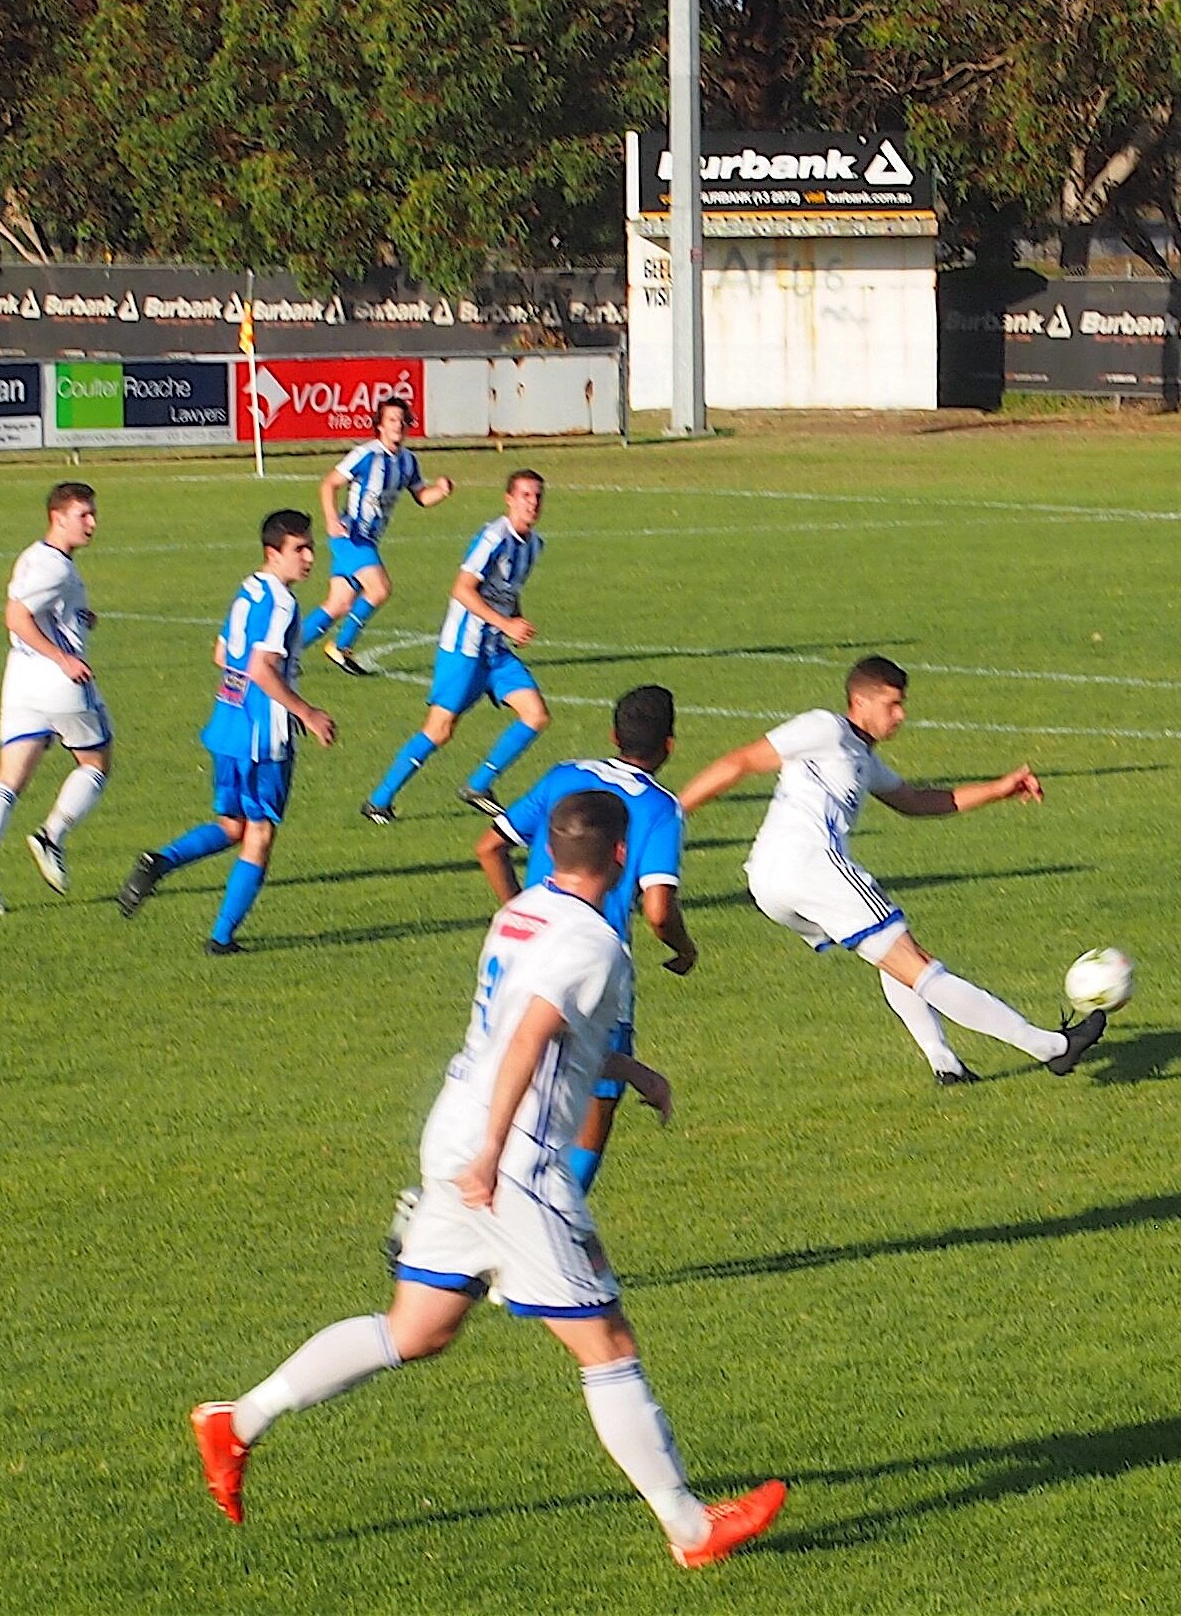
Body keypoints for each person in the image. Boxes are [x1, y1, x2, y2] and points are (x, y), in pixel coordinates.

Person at [189, 791, 786, 1569]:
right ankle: (693, 1529)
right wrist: (494, 1155)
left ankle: (237, 1423)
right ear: (618, 856)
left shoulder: (523, 913)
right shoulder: (595, 944)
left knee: (417, 1329)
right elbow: (531, 1038)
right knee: (607, 1345)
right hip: (513, 1163)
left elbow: (516, 1024)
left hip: (455, 1130)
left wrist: (629, 1069)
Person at [677, 655, 1107, 1084]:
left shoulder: (864, 759)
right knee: (914, 961)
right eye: (892, 704)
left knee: (891, 956)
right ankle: (1052, 1047)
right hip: (808, 865)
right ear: (860, 701)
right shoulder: (825, 727)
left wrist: (999, 789)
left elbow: (917, 802)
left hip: (771, 880)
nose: (900, 716)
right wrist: (673, 814)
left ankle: (945, 1063)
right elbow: (739, 761)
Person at [475, 684, 696, 1189]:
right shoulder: (660, 807)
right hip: (593, 965)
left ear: (613, 735)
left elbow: (489, 845)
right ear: (669, 746)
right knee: (595, 1101)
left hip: (522, 951)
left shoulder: (564, 777)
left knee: (518, 1076)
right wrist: (684, 950)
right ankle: (558, 1215)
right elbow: (659, 911)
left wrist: (520, 910)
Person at [116, 510, 335, 953]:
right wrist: (306, 712)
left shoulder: (248, 589)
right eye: (299, 549)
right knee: (259, 834)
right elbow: (261, 668)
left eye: (311, 546)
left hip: (227, 724)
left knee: (233, 824)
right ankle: (220, 939)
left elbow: (222, 654)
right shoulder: (283, 603)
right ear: (273, 553)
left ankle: (158, 862)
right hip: (261, 737)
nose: (310, 557)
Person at [361, 470, 548, 822]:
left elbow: (508, 592)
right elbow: (462, 589)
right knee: (439, 729)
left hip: (496, 651)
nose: (533, 503)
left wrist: (514, 623)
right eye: (525, 495)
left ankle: (478, 785)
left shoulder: (534, 545)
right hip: (464, 648)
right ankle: (379, 800)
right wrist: (506, 623)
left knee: (536, 715)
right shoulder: (494, 538)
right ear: (509, 499)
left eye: (538, 496)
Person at [0, 482, 112, 915]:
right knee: (96, 762)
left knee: (10, 776)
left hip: (20, 679)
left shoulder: (36, 556)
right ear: (57, 517)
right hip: (57, 681)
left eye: (93, 514)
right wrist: (64, 657)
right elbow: (16, 615)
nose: (92, 523)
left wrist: (81, 618)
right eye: (83, 515)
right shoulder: (56, 568)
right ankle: (51, 836)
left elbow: (34, 611)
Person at [300, 396, 454, 675]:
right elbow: (329, 484)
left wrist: (441, 491)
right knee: (380, 588)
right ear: (380, 426)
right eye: (392, 420)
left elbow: (422, 496)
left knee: (339, 604)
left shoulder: (408, 461)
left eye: (403, 420)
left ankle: (286, 654)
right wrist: (332, 520)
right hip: (351, 536)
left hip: (368, 540)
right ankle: (342, 646)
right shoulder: (366, 454)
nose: (398, 426)